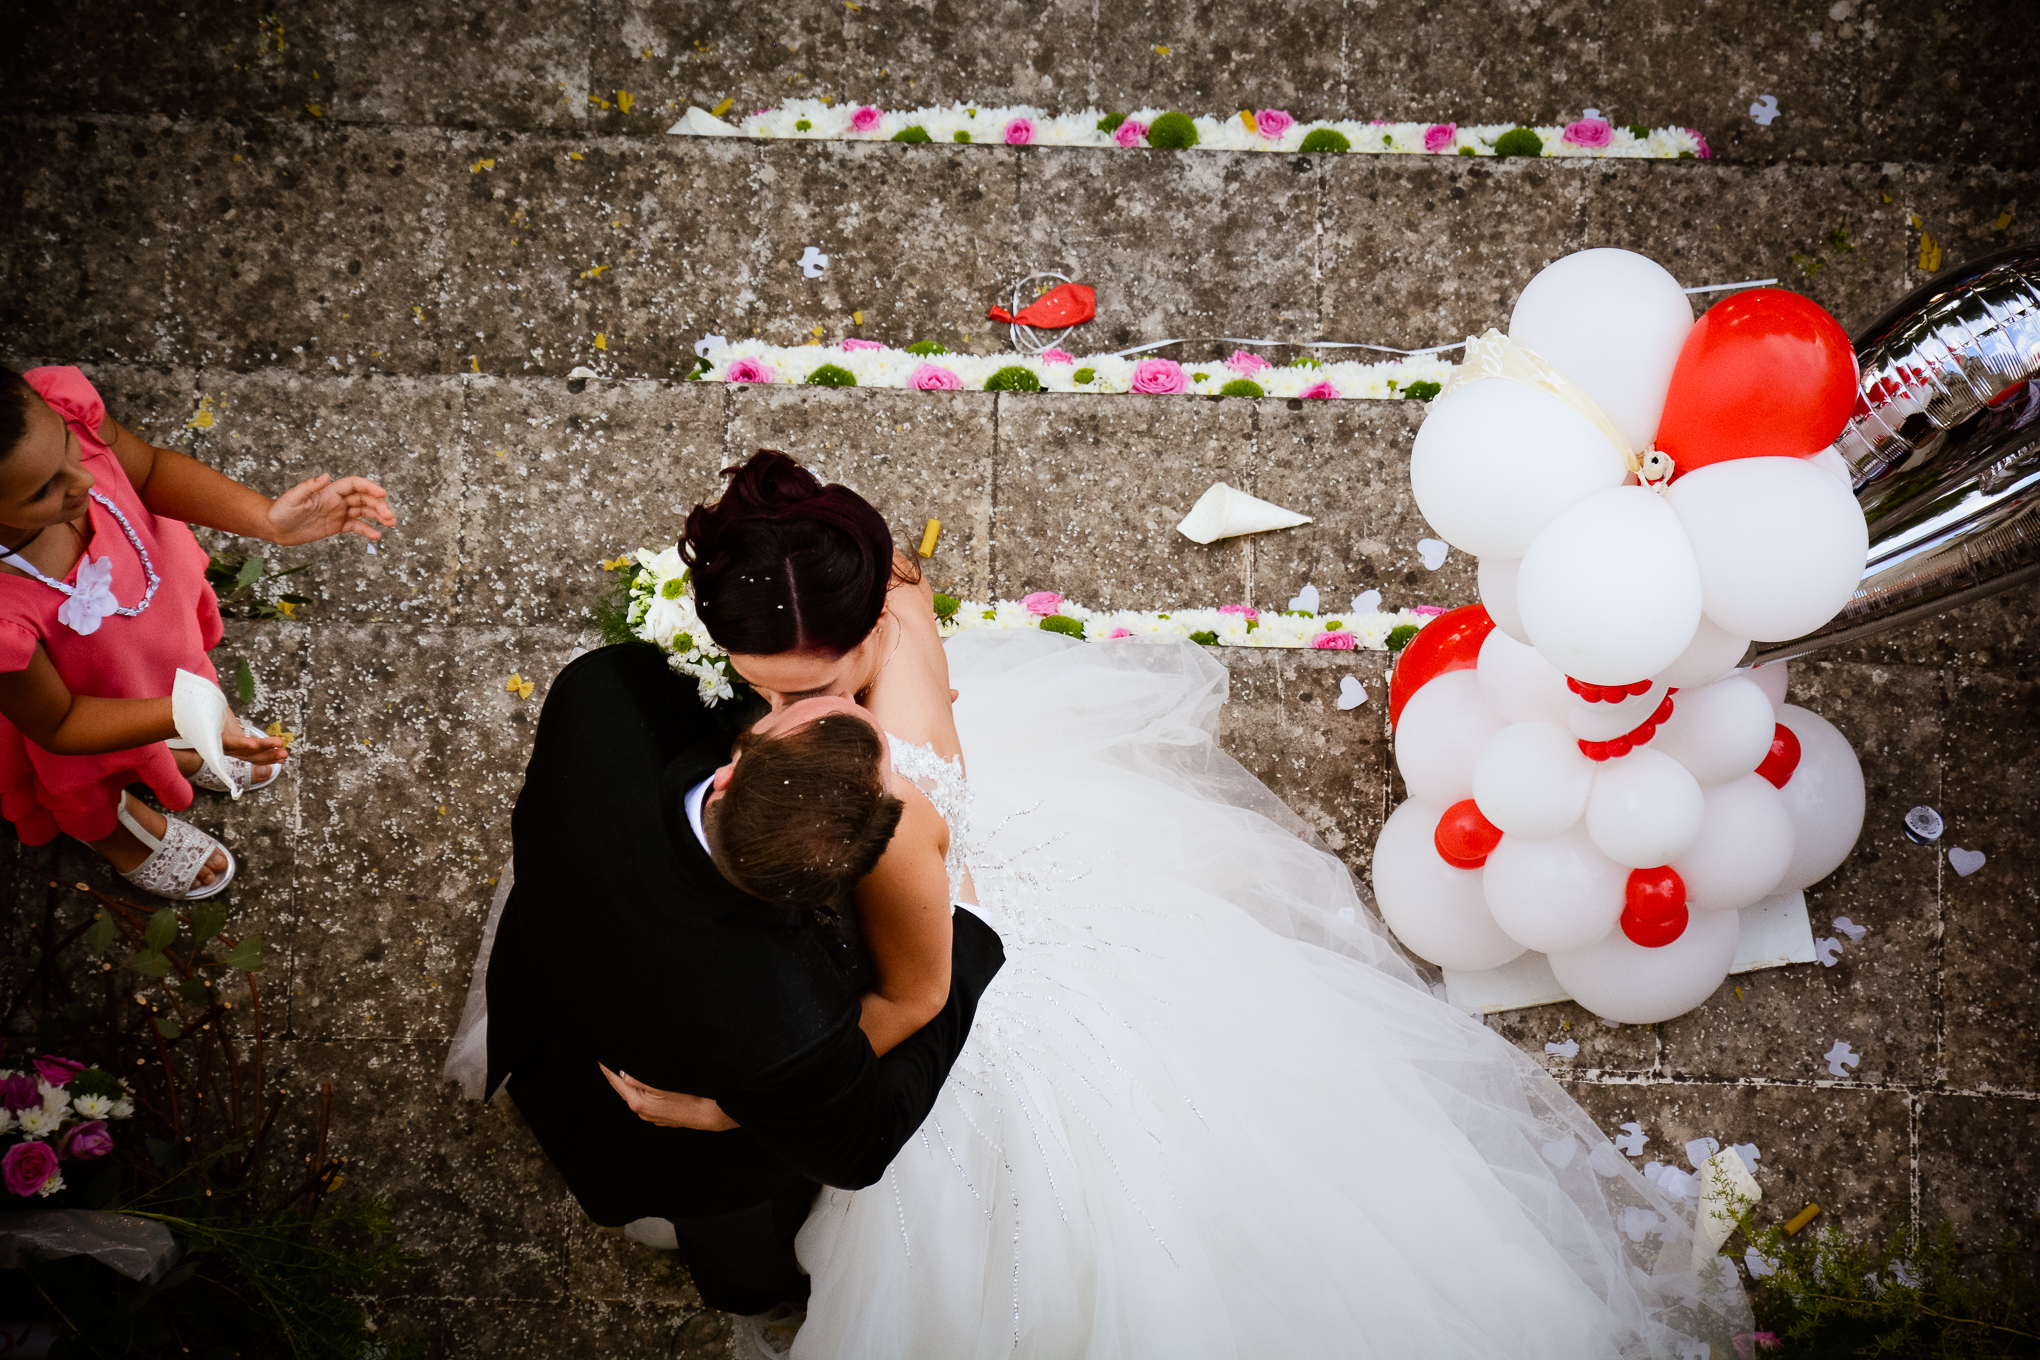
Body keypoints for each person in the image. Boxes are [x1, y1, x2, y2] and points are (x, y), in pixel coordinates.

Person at [603, 450, 1754, 1358]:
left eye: (806, 691)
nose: (776, 723)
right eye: (765, 691)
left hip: (955, 952)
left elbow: (914, 1000)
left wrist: (743, 1103)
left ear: (855, 639)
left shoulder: (894, 804)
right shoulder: (883, 582)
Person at [445, 462, 1006, 1341]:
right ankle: (754, 1294)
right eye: (785, 697)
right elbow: (866, 1121)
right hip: (666, 1124)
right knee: (741, 1249)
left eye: (814, 697)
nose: (806, 709)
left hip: (556, 993)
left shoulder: (599, 695)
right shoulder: (788, 1021)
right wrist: (731, 1110)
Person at [0, 365, 394, 899]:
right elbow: (61, 722)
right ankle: (113, 826)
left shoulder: (64, 412)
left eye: (69, 446)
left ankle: (177, 737)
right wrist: (186, 711)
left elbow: (148, 471)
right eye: (43, 490)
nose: (84, 480)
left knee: (169, 691)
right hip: (79, 705)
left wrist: (267, 519)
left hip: (155, 645)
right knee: (86, 778)